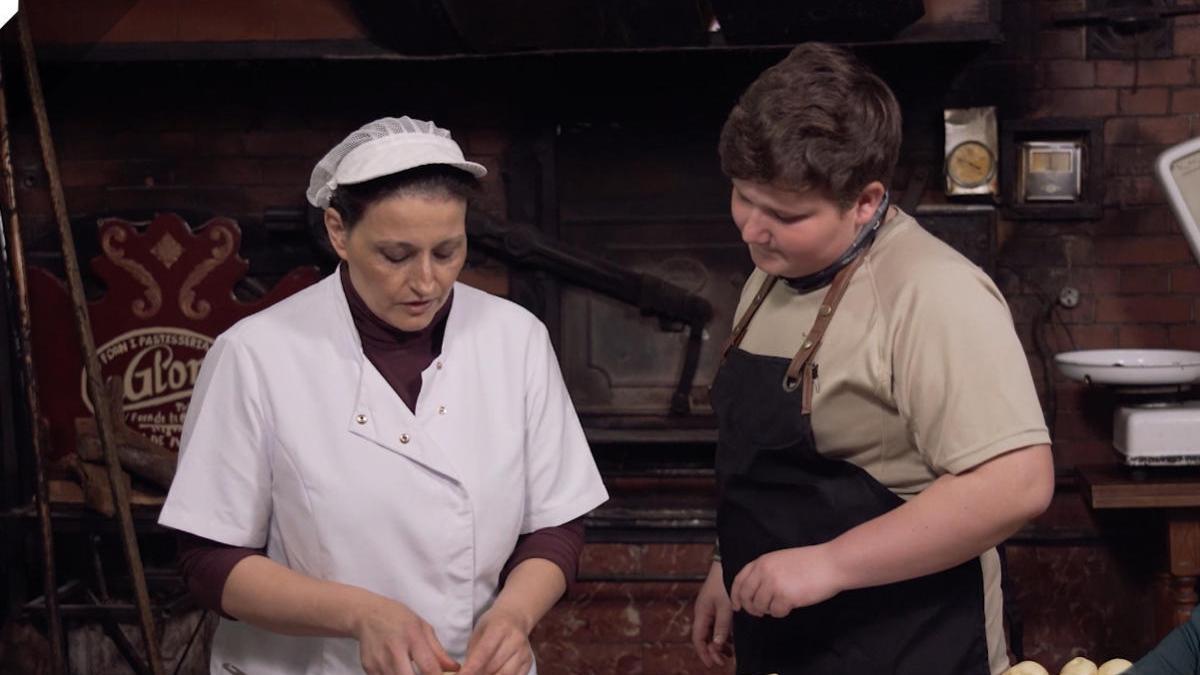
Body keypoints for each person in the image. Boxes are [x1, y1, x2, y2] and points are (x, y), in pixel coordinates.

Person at [159, 116, 608, 675]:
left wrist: (514, 616)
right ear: (338, 232)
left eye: (448, 251)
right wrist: (359, 615)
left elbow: (556, 524)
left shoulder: (515, 339)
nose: (426, 282)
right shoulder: (256, 355)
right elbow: (207, 561)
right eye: (396, 256)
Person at [689, 43, 1055, 675]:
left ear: (865, 202)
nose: (750, 229)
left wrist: (828, 564)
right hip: (790, 641)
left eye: (784, 214)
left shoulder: (932, 293)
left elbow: (1016, 483)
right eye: (743, 197)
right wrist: (730, 562)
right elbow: (767, 463)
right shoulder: (774, 268)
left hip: (911, 645)